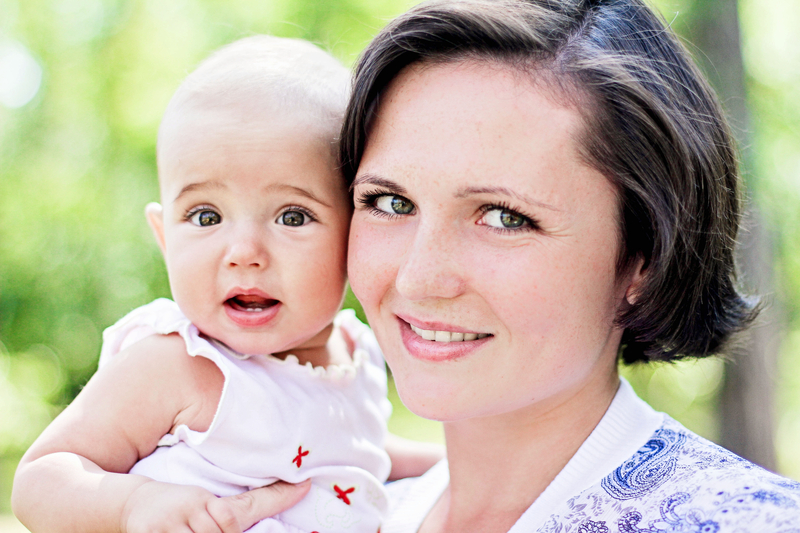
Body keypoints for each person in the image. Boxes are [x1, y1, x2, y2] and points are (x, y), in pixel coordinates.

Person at [338, 0, 800, 531]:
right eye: (390, 202)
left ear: (645, 259)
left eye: (505, 217)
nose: (417, 279)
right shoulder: (331, 513)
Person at [11, 36, 442, 533]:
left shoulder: (356, 350)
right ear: (164, 238)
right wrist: (134, 505)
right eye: (206, 216)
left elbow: (350, 453)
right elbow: (42, 478)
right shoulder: (178, 364)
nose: (244, 252)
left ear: (355, 233)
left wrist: (452, 464)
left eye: (292, 216)